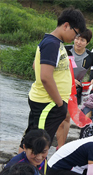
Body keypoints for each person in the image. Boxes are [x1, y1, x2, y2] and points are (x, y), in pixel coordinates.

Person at [19, 8, 86, 153]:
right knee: (39, 144)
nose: (75, 38)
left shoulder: (56, 43)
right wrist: (60, 103)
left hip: (49, 102)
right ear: (66, 25)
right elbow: (45, 76)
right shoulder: (52, 44)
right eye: (76, 34)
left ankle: (20, 171)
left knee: (31, 139)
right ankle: (28, 172)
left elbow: (35, 65)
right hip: (47, 103)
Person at [65, 29, 93, 105]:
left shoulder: (90, 56)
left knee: (71, 113)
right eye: (77, 38)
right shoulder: (65, 50)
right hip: (61, 85)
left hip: (75, 89)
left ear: (87, 43)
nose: (78, 42)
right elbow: (55, 69)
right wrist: (70, 79)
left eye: (82, 40)